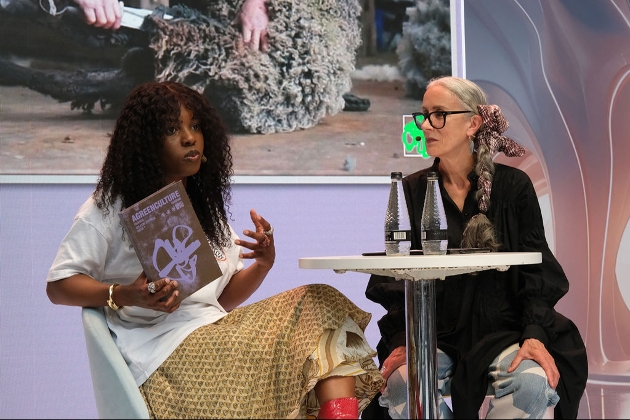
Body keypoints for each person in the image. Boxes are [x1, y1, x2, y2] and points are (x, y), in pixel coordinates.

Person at [46, 80, 383, 419]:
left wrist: (263, 264)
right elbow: (58, 286)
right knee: (317, 315)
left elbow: (219, 300)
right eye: (171, 129)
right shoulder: (107, 207)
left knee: (322, 309)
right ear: (146, 144)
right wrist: (124, 295)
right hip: (165, 360)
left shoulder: (204, 209)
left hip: (217, 338)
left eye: (195, 126)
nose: (189, 137)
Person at [363, 76, 588, 419]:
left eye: (438, 114)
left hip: (506, 331)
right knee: (400, 388)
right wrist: (400, 340)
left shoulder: (514, 187)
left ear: (473, 123)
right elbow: (397, 278)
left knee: (531, 387)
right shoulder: (411, 189)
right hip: (432, 336)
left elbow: (536, 274)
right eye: (423, 114)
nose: (425, 124)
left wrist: (535, 335)